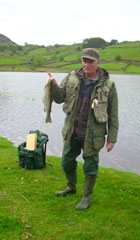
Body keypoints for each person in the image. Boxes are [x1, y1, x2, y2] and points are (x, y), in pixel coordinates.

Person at [47, 48, 119, 210]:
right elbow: (59, 99)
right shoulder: (72, 77)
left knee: (90, 167)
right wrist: (53, 85)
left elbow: (113, 113)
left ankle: (86, 197)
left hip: (93, 135)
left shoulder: (108, 84)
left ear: (98, 62)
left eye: (90, 61)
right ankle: (71, 187)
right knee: (66, 162)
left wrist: (112, 138)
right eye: (84, 61)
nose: (86, 64)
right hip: (72, 131)